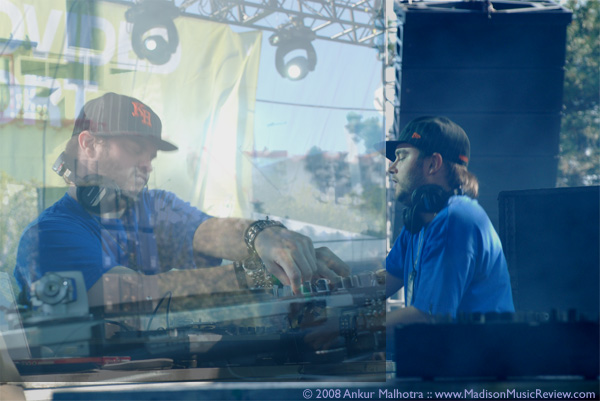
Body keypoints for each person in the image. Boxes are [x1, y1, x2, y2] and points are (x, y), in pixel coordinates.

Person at [14, 92, 350, 300]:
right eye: (135, 150)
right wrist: (259, 275)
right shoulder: (48, 236)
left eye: (152, 157)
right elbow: (133, 295)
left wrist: (265, 237)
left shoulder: (155, 205)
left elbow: (212, 232)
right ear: (87, 144)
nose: (146, 165)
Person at [384, 116, 514, 325]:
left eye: (402, 156)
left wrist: (347, 326)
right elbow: (386, 280)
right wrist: (333, 288)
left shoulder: (456, 219)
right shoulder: (419, 221)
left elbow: (427, 318)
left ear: (433, 164)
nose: (391, 167)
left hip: (480, 357)